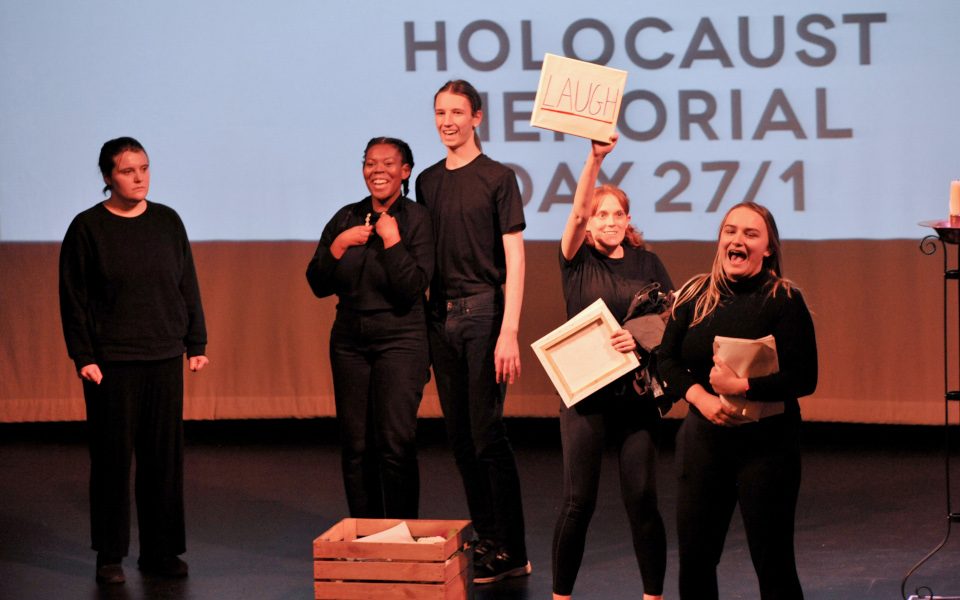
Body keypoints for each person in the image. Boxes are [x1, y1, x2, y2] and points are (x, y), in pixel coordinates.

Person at [58, 136, 209, 585]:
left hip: (163, 355)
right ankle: (110, 555)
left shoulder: (167, 221)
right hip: (112, 364)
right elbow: (73, 299)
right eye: (127, 170)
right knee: (112, 461)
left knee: (163, 460)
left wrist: (196, 343)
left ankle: (160, 551)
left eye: (144, 167)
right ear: (107, 177)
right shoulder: (87, 228)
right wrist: (83, 355)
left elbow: (187, 284)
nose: (139, 177)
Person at [657, 202, 818, 599]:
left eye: (750, 234)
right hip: (703, 443)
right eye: (731, 231)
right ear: (720, 240)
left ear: (768, 248)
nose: (738, 240)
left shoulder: (783, 299)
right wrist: (701, 398)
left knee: (773, 560)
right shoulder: (695, 293)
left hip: (767, 446)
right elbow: (666, 359)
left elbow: (804, 377)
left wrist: (740, 385)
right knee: (695, 558)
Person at [415, 79, 531, 584]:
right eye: (440, 111)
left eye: (457, 111)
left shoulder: (499, 177)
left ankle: (513, 548)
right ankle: (487, 538)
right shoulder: (426, 180)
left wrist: (510, 330)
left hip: (484, 313)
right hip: (440, 317)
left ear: (477, 118)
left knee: (488, 435)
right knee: (460, 438)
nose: (447, 120)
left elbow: (515, 257)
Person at [552, 135, 671, 600]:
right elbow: (577, 213)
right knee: (578, 502)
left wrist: (640, 337)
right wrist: (595, 158)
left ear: (628, 220)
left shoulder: (648, 262)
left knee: (642, 500)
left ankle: (653, 596)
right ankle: (561, 596)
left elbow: (671, 316)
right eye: (601, 215)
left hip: (636, 397)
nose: (609, 221)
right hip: (586, 397)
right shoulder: (576, 261)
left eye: (617, 214)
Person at [306, 137, 433, 519]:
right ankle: (365, 536)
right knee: (356, 445)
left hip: (401, 338)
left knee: (395, 443)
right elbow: (317, 283)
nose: (378, 170)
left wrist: (393, 242)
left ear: (405, 171)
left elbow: (413, 287)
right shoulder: (345, 217)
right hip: (349, 341)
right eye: (370, 163)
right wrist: (339, 246)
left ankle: (400, 536)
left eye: (388, 163)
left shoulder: (418, 220)